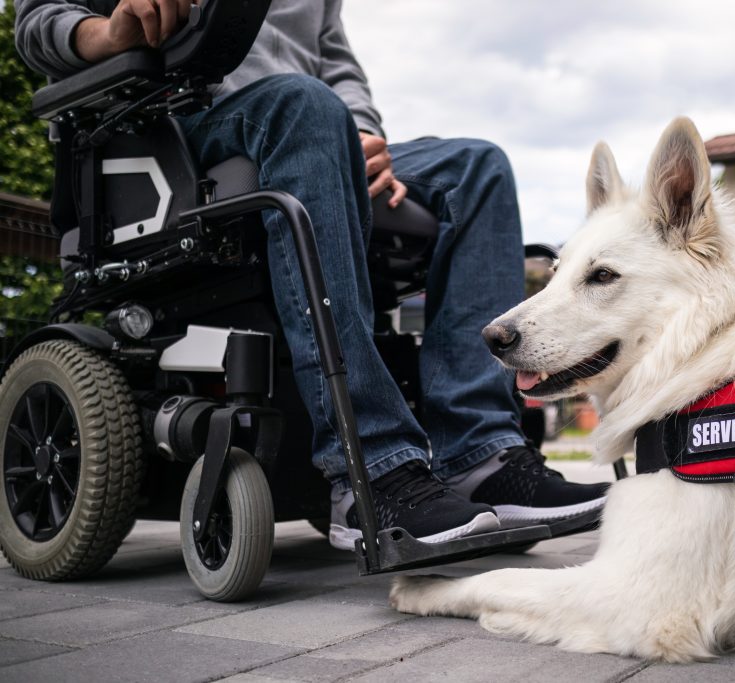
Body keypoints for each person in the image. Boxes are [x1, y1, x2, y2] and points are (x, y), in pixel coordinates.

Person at [15, 0, 608, 550]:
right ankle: (372, 469)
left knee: (477, 167)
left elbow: (337, 64)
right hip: (180, 121)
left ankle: (482, 459)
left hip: (317, 129)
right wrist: (107, 33)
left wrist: (366, 133)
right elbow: (36, 20)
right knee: (304, 106)